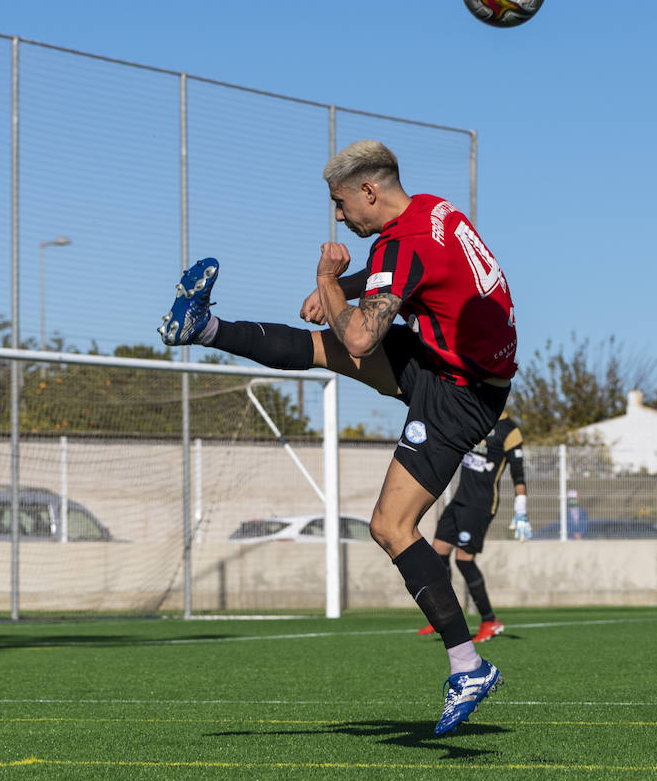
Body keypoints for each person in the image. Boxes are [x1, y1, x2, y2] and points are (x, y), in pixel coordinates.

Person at [157, 140, 516, 736]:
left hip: (458, 393)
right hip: (451, 363)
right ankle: (203, 325)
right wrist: (344, 293)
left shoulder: (402, 245)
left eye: (340, 201)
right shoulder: (432, 210)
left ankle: (467, 664)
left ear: (369, 192)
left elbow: (362, 339)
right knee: (317, 348)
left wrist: (328, 280)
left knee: (391, 527)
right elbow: (401, 284)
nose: (338, 214)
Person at [416, 410, 530, 641]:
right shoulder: (475, 418)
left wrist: (521, 509)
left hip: (480, 505)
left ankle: (490, 620)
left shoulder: (510, 431)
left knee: (464, 560)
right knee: (438, 554)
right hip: (459, 500)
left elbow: (518, 473)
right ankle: (443, 615)